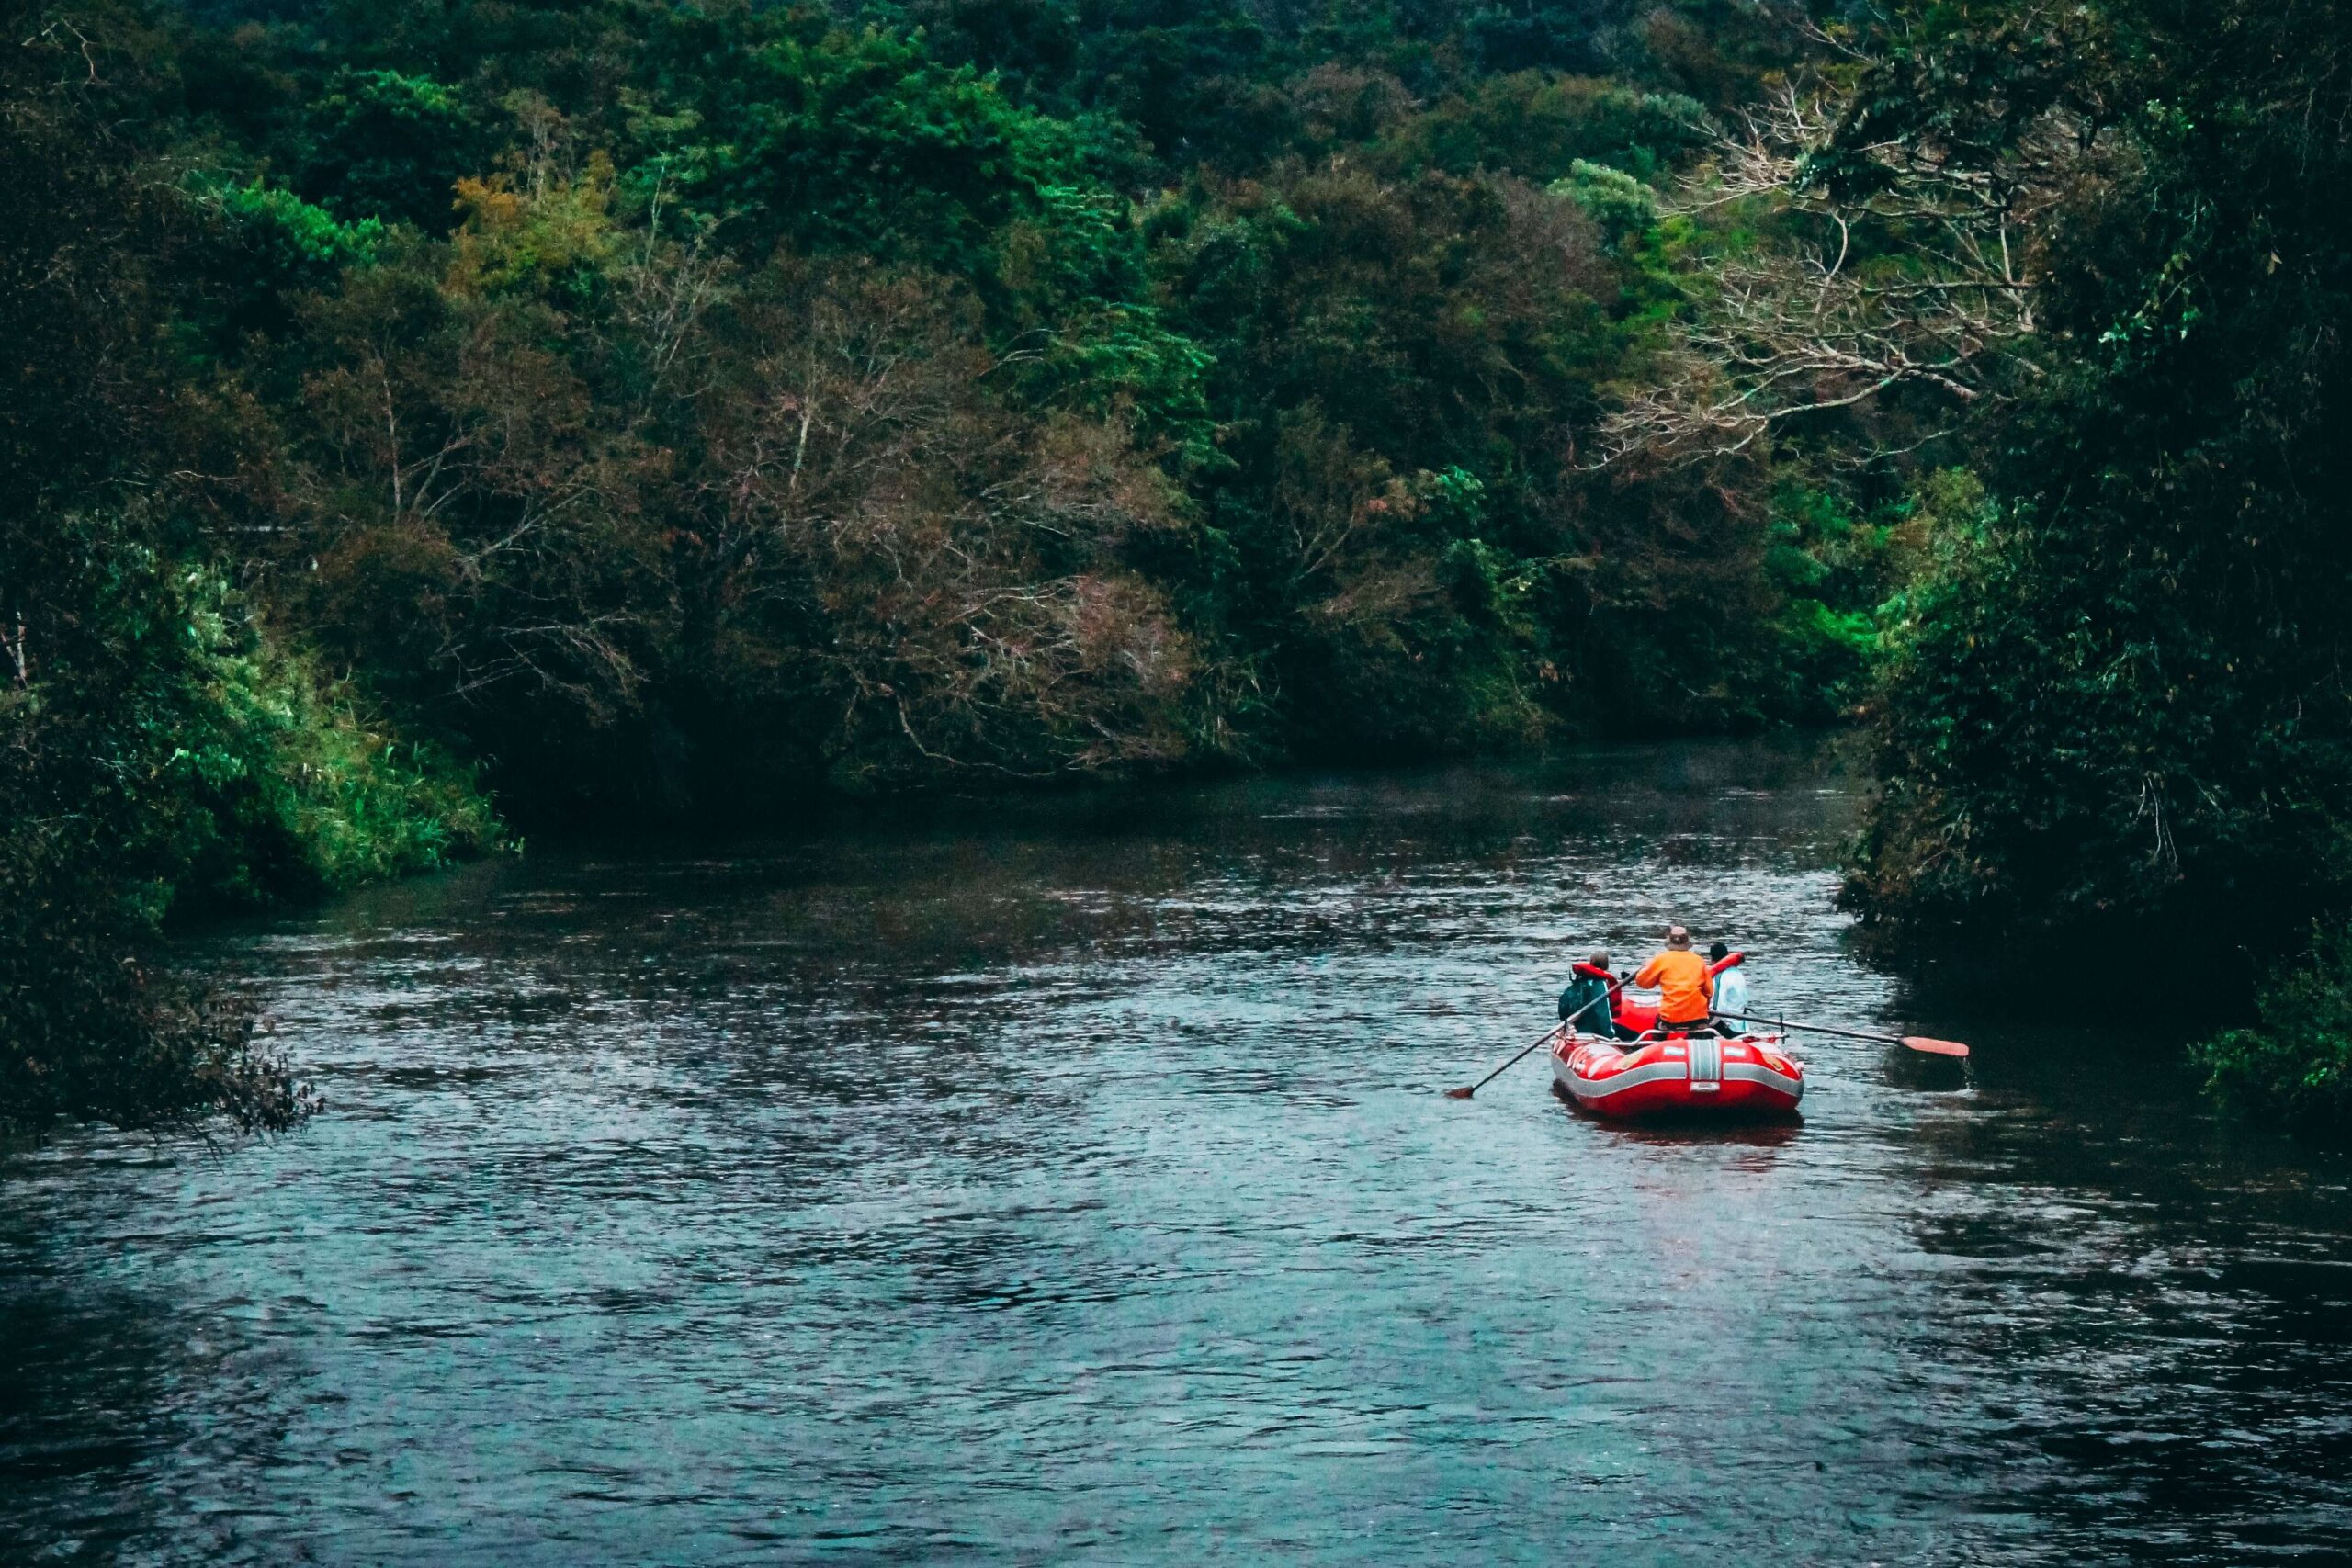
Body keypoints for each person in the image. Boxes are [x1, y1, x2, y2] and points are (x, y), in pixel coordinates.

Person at [1634, 924, 1714, 1035]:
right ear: (1687, 941)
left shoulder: (1661, 959)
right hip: (1697, 1017)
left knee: (1658, 1028)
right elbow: (1709, 991)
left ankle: (1658, 1046)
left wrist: (1647, 967)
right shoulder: (1699, 960)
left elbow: (1643, 983)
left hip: (1670, 1016)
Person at [1558, 951, 1628, 1037]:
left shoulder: (1580, 981)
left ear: (1591, 963)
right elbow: (1603, 1012)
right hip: (1595, 1030)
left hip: (1580, 1028)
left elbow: (1563, 1011)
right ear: (1606, 966)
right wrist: (1610, 1035)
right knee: (1633, 1035)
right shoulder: (1600, 984)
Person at [1709, 940, 1751, 1035]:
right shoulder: (1738, 973)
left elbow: (1718, 1009)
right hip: (1743, 1026)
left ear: (1712, 959)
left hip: (1729, 1029)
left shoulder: (1720, 977)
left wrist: (1706, 1025)